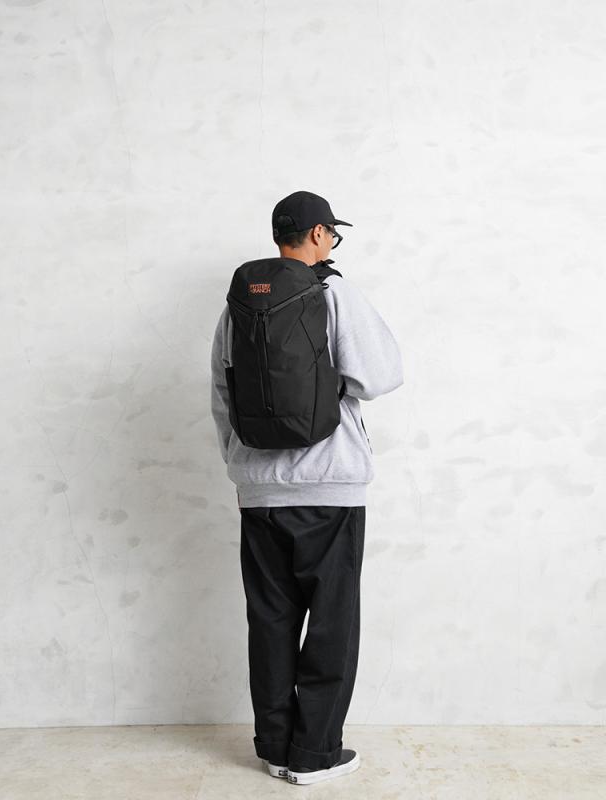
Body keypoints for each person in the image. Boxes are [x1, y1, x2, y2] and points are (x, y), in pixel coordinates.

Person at [210, 190, 404, 785]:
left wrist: (242, 466)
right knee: (331, 624)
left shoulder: (238, 304)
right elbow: (379, 376)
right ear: (319, 234)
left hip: (259, 492)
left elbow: (221, 392)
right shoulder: (334, 292)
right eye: (332, 234)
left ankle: (274, 746)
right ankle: (315, 753)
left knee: (270, 620)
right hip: (331, 487)